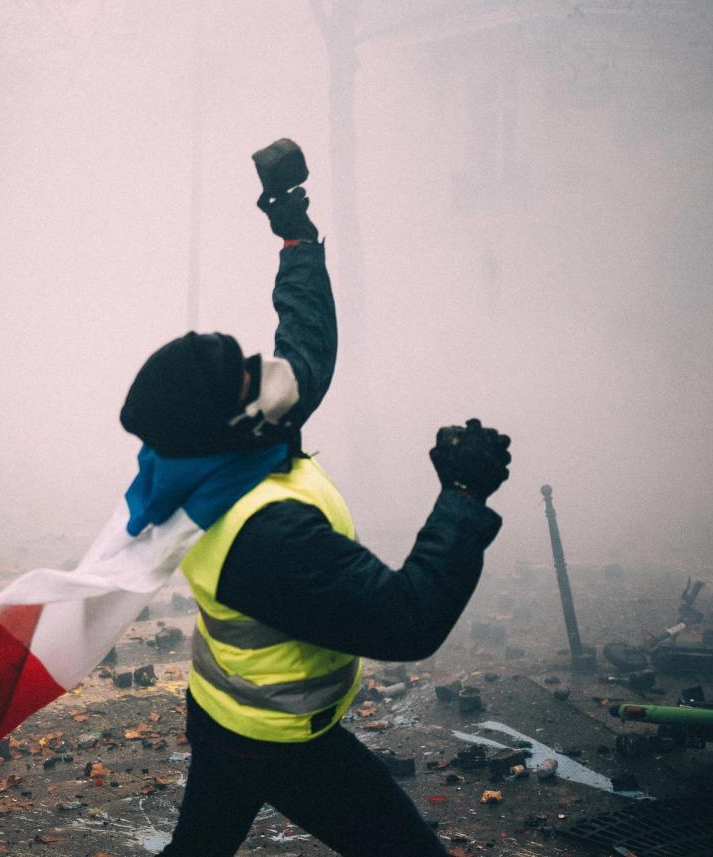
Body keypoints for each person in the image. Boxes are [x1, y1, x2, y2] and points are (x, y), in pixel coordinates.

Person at [119, 176, 511, 857]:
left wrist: (296, 238)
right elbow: (407, 618)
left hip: (223, 712)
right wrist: (464, 495)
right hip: (276, 740)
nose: (262, 368)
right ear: (234, 419)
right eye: (246, 374)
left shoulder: (197, 456)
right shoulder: (261, 531)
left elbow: (305, 347)